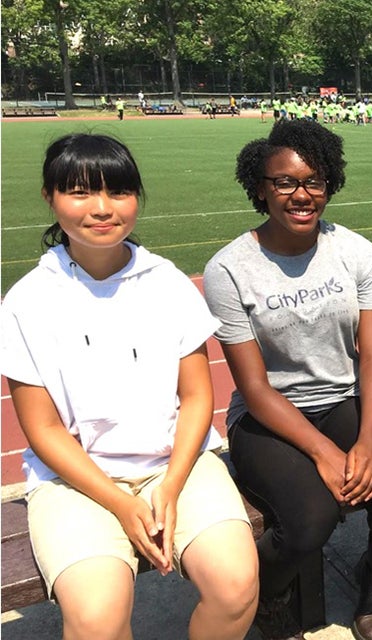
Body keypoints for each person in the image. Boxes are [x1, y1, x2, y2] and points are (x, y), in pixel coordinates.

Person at [0, 133, 259, 639]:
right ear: (50, 197)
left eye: (118, 191)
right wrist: (121, 503)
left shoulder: (167, 283)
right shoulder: (28, 301)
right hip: (75, 480)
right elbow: (43, 429)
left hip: (176, 463)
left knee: (236, 585)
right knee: (97, 619)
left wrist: (173, 484)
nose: (102, 208)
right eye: (80, 192)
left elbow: (196, 397)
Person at [203, 119, 372, 640]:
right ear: (260, 187)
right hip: (268, 416)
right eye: (284, 182)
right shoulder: (229, 269)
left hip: (344, 399)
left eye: (314, 181)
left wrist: (369, 441)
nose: (301, 195)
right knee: (310, 521)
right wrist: (326, 453)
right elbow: (255, 388)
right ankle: (268, 600)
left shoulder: (355, 252)